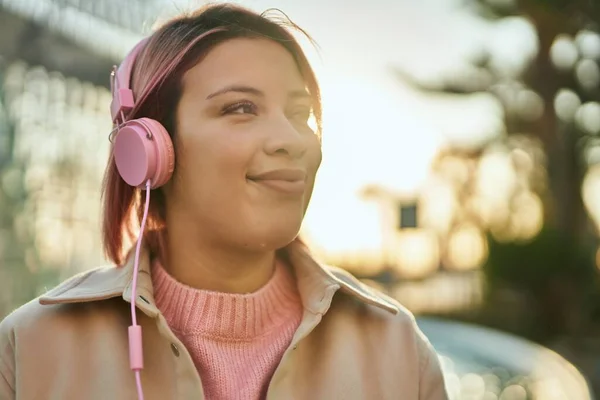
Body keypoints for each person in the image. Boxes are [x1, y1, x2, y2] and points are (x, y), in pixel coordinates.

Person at [0, 3, 449, 400]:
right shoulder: (26, 350)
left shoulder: (399, 349)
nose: (292, 140)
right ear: (150, 149)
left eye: (301, 114)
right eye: (241, 108)